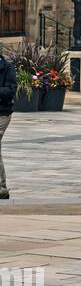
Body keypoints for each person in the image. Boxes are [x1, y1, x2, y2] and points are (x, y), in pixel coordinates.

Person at [0, 47, 17, 201]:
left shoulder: (7, 67)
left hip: (2, 113)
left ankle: (1, 187)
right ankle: (2, 188)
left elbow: (11, 90)